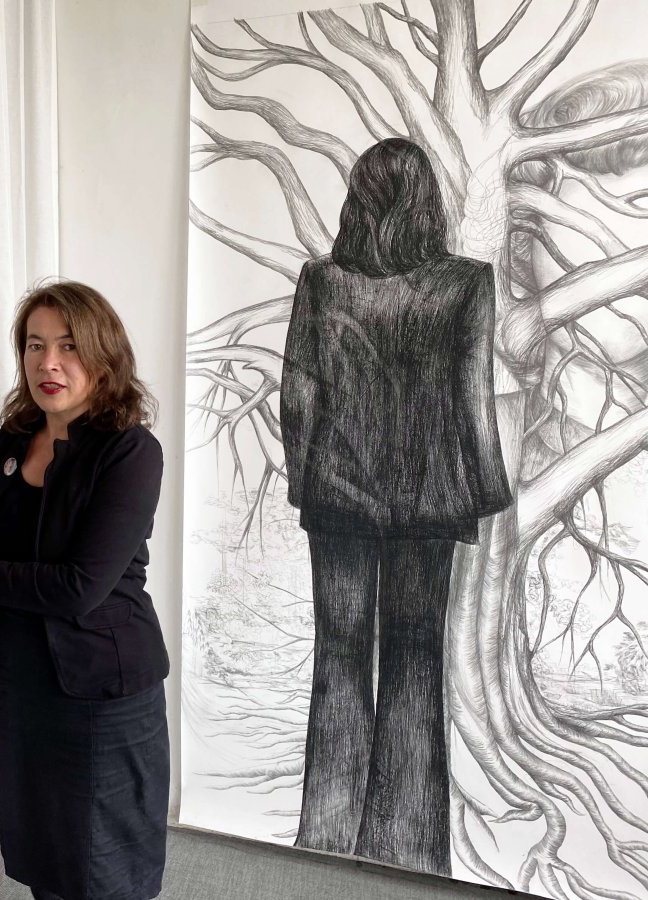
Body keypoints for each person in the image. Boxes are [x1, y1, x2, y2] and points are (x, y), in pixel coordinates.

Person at [0, 281, 171, 900]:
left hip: (102, 688)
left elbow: (78, 587)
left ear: (104, 355)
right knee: (47, 850)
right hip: (27, 678)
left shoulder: (131, 452)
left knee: (104, 863)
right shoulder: (18, 437)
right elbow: (7, 541)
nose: (49, 363)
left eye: (69, 346)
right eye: (35, 345)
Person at [280, 137, 512, 875]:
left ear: (358, 198)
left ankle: (326, 835)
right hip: (433, 501)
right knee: (415, 661)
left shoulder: (322, 281)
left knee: (338, 658)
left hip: (337, 496)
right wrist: (486, 491)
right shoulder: (466, 284)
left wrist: (305, 483)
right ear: (428, 202)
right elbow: (473, 399)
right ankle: (407, 847)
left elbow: (297, 398)